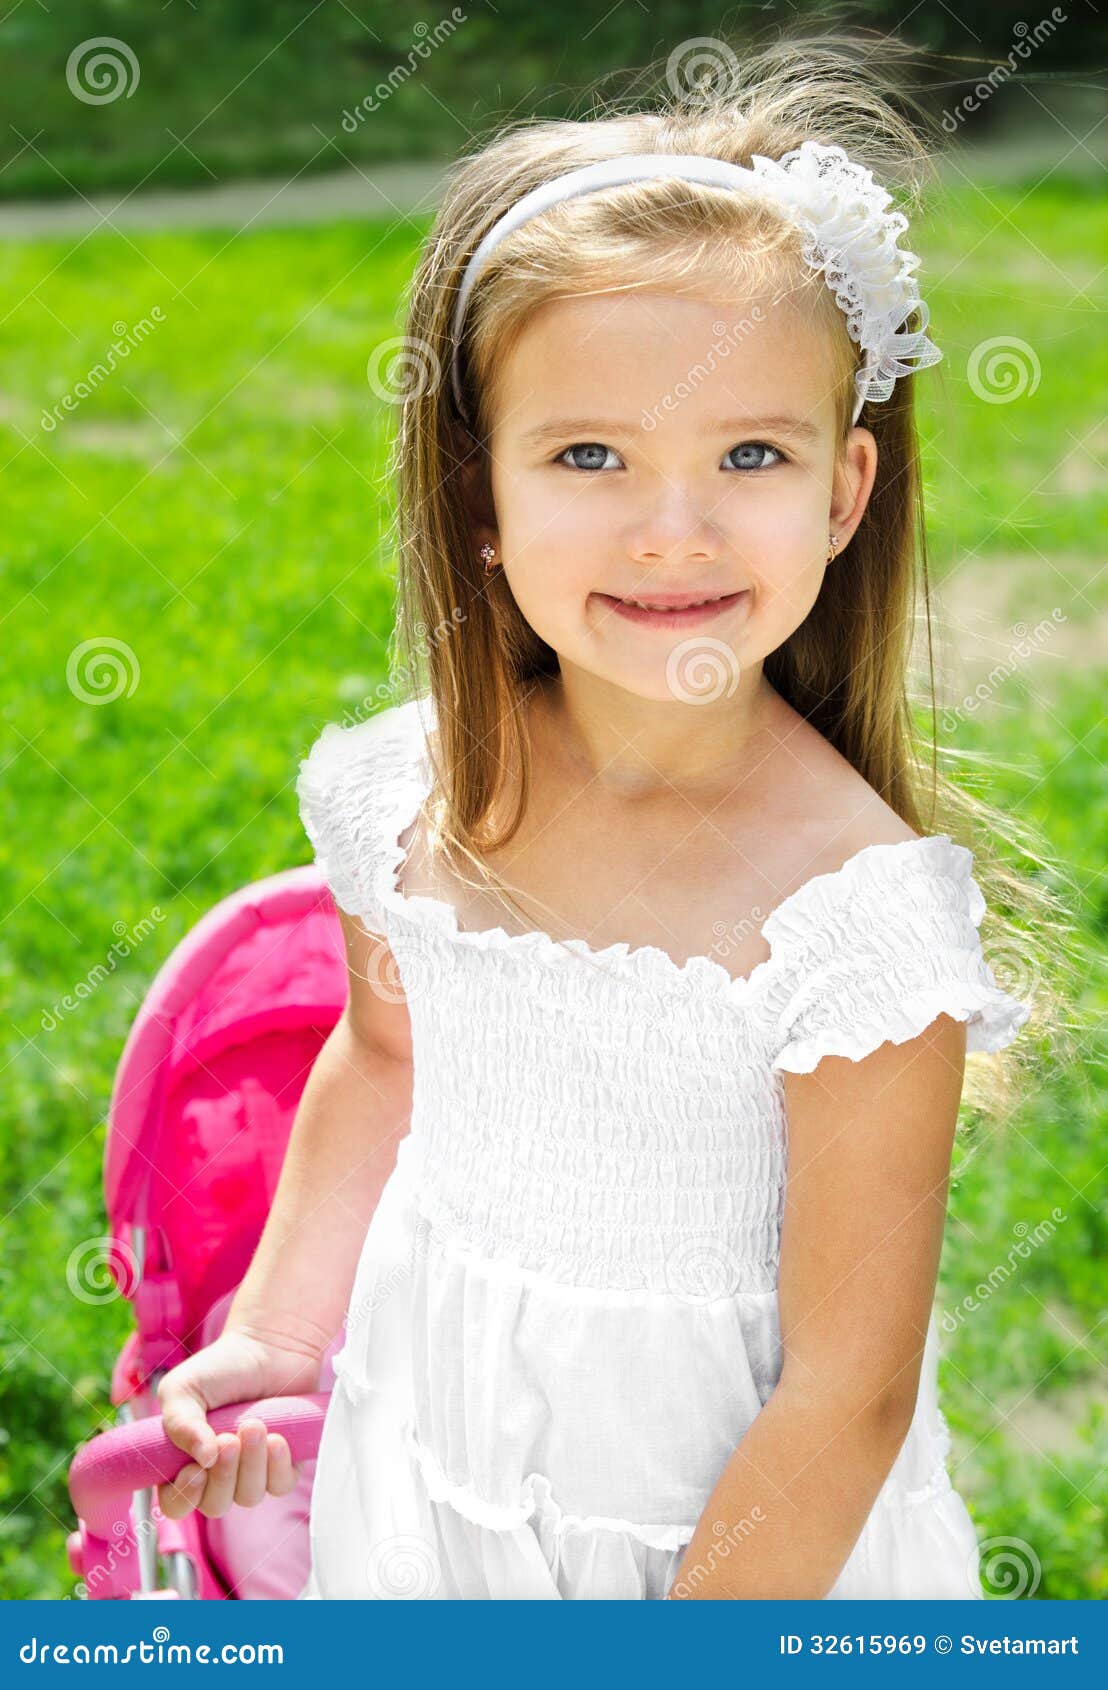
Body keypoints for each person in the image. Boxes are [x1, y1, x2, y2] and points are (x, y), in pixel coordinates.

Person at [155, 36, 1066, 1600]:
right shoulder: (406, 788)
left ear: (843, 495)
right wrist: (279, 1335)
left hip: (722, 1549)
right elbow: (384, 1056)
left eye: (750, 455)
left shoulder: (852, 918)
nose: (673, 527)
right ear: (480, 498)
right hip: (434, 1458)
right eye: (588, 454)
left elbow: (842, 1401)